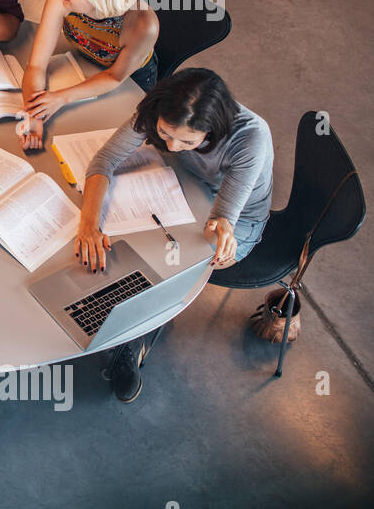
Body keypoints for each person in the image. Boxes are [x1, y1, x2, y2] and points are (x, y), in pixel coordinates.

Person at [75, 68, 274, 402]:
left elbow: (222, 217)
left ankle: (135, 339)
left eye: (188, 142)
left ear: (213, 129)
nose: (172, 146)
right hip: (183, 189)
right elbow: (105, 159)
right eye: (165, 134)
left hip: (237, 219)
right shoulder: (159, 110)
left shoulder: (251, 138)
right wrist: (88, 226)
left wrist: (223, 232)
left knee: (170, 269)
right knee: (131, 246)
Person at [17, 0, 160, 152]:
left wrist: (60, 98)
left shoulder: (143, 25)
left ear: (101, 3)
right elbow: (37, 65)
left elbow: (114, 77)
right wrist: (34, 115)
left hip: (130, 79)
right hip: (83, 60)